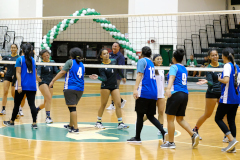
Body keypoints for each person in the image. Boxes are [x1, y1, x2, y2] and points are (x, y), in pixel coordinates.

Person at [161, 49, 199, 149]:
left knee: (170, 119)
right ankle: (193, 134)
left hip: (175, 94)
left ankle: (171, 143)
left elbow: (172, 78)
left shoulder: (173, 67)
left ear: (173, 58)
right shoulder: (184, 68)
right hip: (184, 94)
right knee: (180, 119)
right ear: (182, 59)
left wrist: (168, 89)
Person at [127, 46, 167, 143]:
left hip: (144, 92)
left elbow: (139, 74)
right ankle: (163, 132)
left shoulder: (142, 61)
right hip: (154, 93)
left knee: (140, 115)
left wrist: (135, 89)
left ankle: (137, 137)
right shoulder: (151, 64)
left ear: (141, 53)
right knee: (150, 116)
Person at [3, 43, 41, 129]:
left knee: (17, 104)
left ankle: (12, 121)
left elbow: (18, 73)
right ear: (30, 51)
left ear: (22, 50)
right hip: (32, 86)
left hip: (22, 86)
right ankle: (34, 123)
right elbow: (35, 73)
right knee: (32, 105)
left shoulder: (19, 59)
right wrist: (39, 81)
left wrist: (19, 85)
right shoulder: (33, 60)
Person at [194, 49, 229, 141]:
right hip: (212, 93)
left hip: (221, 93)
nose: (215, 57)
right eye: (213, 55)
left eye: (216, 55)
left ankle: (227, 135)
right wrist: (207, 82)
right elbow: (210, 82)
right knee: (207, 114)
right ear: (209, 57)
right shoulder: (209, 68)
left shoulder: (223, 66)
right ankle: (195, 130)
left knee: (225, 115)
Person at [89, 49, 129, 129]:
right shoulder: (101, 66)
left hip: (114, 86)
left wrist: (123, 76)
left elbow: (118, 69)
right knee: (103, 104)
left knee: (118, 104)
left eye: (107, 53)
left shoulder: (114, 61)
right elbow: (104, 78)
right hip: (105, 86)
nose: (106, 55)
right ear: (101, 56)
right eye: (104, 54)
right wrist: (98, 77)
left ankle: (120, 123)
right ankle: (98, 122)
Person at [49, 47, 84, 133]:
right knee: (72, 107)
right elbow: (73, 72)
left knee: (72, 109)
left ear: (71, 55)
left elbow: (62, 73)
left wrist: (53, 80)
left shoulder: (70, 62)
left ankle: (75, 128)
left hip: (70, 88)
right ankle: (71, 125)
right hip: (80, 89)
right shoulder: (82, 64)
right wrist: (65, 69)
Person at [215, 47, 239, 152]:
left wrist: (219, 79)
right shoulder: (237, 67)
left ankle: (231, 139)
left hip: (227, 98)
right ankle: (232, 146)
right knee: (231, 120)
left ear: (223, 56)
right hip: (236, 98)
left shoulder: (227, 66)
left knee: (218, 118)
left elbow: (226, 80)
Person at [143, 54, 165, 135]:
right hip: (153, 94)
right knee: (149, 114)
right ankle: (139, 121)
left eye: (161, 59)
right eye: (158, 59)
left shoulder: (163, 69)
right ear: (154, 60)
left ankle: (161, 129)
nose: (159, 60)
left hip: (161, 94)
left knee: (161, 112)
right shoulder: (152, 69)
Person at [36, 49, 60, 123]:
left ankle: (36, 110)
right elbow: (39, 74)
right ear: (42, 57)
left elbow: (56, 72)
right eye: (44, 56)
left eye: (47, 55)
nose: (46, 56)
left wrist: (61, 70)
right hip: (42, 82)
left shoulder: (52, 62)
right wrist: (37, 77)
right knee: (49, 98)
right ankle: (48, 117)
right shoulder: (41, 63)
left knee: (47, 101)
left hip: (50, 83)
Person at [0, 44, 20, 115]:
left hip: (15, 77)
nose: (13, 49)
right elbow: (1, 62)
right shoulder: (7, 57)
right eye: (12, 47)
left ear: (17, 49)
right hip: (7, 76)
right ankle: (3, 109)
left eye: (14, 47)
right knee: (5, 92)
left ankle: (17, 109)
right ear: (10, 49)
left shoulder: (19, 58)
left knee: (13, 94)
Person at [106, 42, 127, 110]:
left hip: (117, 76)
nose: (114, 47)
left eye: (116, 46)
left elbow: (120, 68)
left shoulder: (121, 57)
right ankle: (121, 101)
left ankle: (112, 104)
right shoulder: (110, 55)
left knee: (113, 90)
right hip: (110, 76)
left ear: (119, 48)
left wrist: (123, 76)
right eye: (113, 46)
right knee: (112, 90)